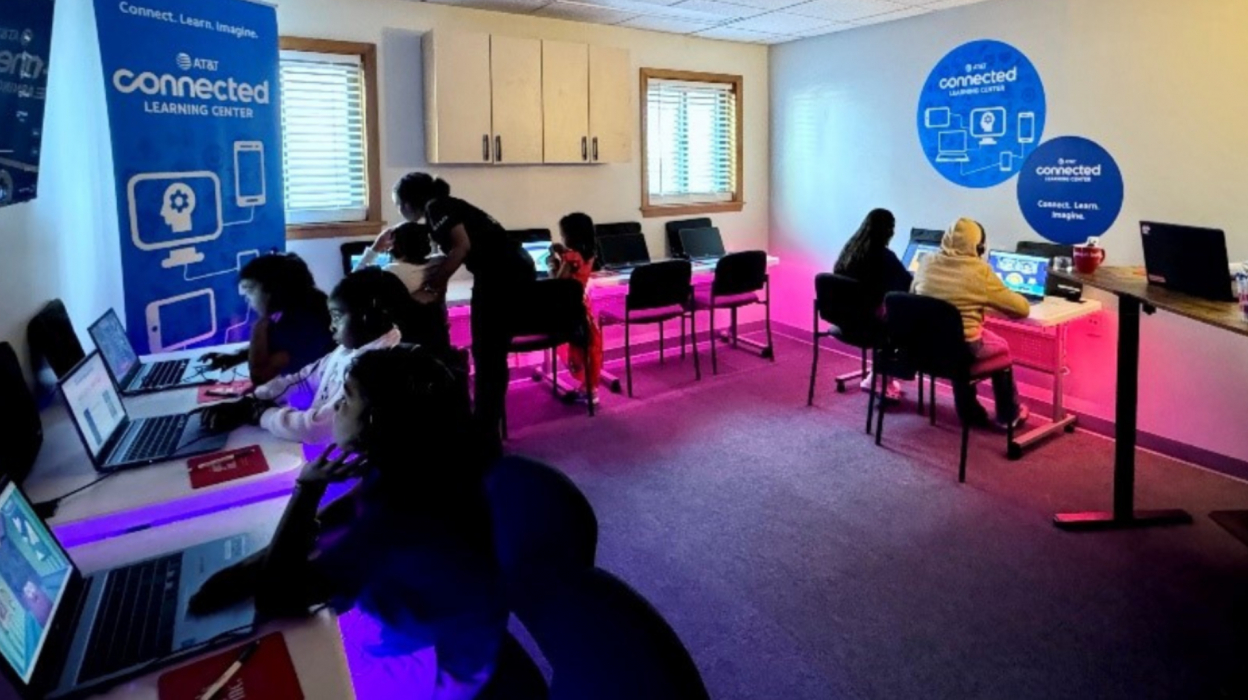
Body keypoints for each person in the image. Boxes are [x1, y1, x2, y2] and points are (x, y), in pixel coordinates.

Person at [190, 345, 507, 699]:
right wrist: (242, 572)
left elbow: (277, 597)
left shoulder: (397, 516)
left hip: (436, 668)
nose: (338, 406)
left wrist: (307, 488)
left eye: (348, 398)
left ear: (376, 420)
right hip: (432, 628)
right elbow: (332, 519)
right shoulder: (416, 464)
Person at [392, 172, 535, 448]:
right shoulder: (444, 208)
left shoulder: (437, 207)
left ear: (410, 201)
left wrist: (434, 286)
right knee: (491, 354)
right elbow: (453, 254)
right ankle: (487, 425)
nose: (398, 209)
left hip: (501, 275)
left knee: (487, 354)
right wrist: (439, 292)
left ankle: (484, 431)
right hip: (513, 269)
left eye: (398, 202)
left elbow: (461, 247)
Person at [201, 268, 405, 447]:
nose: (331, 326)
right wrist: (252, 401)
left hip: (340, 462)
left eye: (336, 317)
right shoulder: (348, 348)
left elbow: (318, 429)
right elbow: (304, 379)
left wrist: (260, 414)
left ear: (365, 320)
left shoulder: (375, 368)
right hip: (314, 443)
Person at [912, 218, 1030, 429]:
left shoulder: (926, 262)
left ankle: (969, 411)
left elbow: (913, 296)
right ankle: (1009, 416)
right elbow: (1021, 309)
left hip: (925, 346)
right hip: (962, 350)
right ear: (979, 246)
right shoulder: (979, 271)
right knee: (1001, 348)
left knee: (962, 338)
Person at [200, 253, 334, 385]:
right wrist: (234, 358)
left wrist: (259, 327)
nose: (246, 298)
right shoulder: (308, 303)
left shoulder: (301, 324)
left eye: (250, 290)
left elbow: (259, 376)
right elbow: (273, 348)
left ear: (272, 290)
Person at [833, 208, 912, 400]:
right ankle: (881, 377)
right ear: (889, 231)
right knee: (906, 325)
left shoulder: (849, 250)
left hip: (844, 320)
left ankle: (879, 376)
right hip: (866, 325)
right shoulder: (885, 257)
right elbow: (908, 285)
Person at [548, 212, 602, 404]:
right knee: (587, 348)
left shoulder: (570, 256)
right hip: (582, 306)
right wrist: (562, 253)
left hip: (567, 310)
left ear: (571, 235)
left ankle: (586, 391)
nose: (562, 237)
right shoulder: (588, 254)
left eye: (563, 234)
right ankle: (590, 389)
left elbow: (559, 284)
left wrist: (551, 264)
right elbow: (576, 267)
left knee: (575, 348)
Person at [355, 222, 436, 295]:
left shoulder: (391, 273)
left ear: (394, 247)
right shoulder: (438, 262)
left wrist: (375, 248)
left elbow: (350, 288)